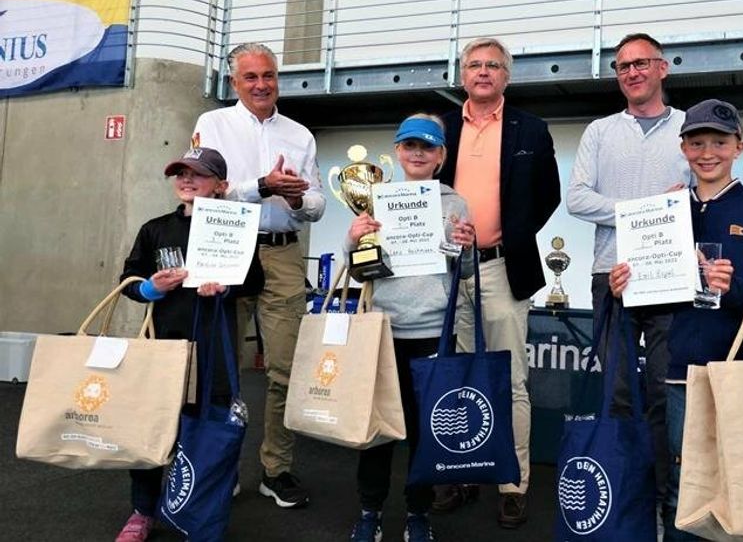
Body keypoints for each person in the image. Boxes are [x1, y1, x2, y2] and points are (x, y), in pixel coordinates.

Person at [609, 99, 743, 541]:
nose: (707, 151)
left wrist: (734, 286)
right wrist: (627, 287)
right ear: (683, 148)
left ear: (740, 146)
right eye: (697, 142)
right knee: (686, 477)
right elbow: (655, 300)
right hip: (684, 371)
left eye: (720, 141)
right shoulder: (666, 214)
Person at [434, 37, 561, 528]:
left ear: (506, 76)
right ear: (462, 75)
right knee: (458, 377)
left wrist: (512, 230)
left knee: (510, 382)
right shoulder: (441, 127)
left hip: (502, 268)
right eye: (474, 65)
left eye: (493, 65)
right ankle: (465, 472)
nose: (483, 72)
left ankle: (513, 483)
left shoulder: (532, 128)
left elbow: (546, 195)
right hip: (447, 272)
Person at [192, 42, 326, 509]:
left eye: (268, 75)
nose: (261, 84)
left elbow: (317, 205)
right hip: (228, 245)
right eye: (250, 77)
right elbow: (205, 192)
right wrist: (262, 186)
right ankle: (221, 467)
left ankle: (276, 469)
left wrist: (292, 199)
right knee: (222, 369)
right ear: (235, 83)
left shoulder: (300, 134)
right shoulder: (213, 125)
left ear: (277, 78)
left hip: (284, 255)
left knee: (285, 370)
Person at [566, 32, 691, 511]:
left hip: (671, 273)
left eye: (642, 63)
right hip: (611, 273)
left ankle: (664, 497)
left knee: (665, 390)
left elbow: (700, 194)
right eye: (623, 67)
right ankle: (623, 492)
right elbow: (576, 197)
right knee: (618, 391)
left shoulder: (687, 128)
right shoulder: (599, 131)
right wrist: (642, 211)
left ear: (663, 67)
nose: (633, 73)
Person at [115, 147, 263, 542]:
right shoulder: (155, 228)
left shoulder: (238, 224)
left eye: (198, 173)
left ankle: (200, 508)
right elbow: (128, 282)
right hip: (162, 347)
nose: (186, 179)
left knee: (208, 429)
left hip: (213, 348)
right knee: (152, 430)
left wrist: (227, 285)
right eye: (180, 173)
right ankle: (142, 510)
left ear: (221, 185)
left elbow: (255, 281)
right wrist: (150, 287)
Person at [347, 113, 476, 542]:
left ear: (440, 155)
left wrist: (467, 248)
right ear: (398, 151)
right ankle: (370, 510)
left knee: (425, 432)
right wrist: (353, 238)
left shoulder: (455, 203)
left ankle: (419, 513)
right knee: (378, 429)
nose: (417, 153)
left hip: (433, 333)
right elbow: (359, 271)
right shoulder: (375, 198)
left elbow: (467, 271)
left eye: (427, 147)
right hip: (383, 330)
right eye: (409, 146)